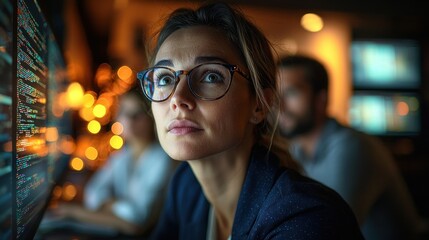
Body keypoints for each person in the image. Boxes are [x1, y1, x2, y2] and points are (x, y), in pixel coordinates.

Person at [136, 2, 364, 239]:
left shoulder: (306, 217)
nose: (178, 98)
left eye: (211, 76)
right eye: (164, 79)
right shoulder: (186, 187)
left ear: (259, 105)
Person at [276, 54, 427, 240]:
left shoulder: (352, 147)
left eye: (291, 93)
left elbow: (327, 230)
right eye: (277, 94)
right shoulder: (296, 150)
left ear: (321, 99)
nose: (279, 105)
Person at [48, 87, 176, 237]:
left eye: (136, 114)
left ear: (151, 117)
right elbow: (93, 193)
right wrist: (119, 209)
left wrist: (76, 212)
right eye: (124, 113)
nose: (128, 120)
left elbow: (136, 222)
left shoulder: (162, 159)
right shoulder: (122, 155)